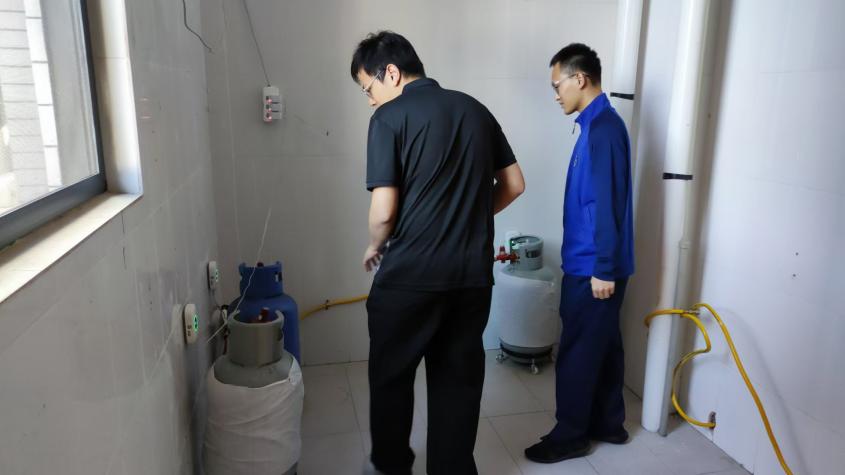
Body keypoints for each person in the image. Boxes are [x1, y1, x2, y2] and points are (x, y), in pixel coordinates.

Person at [350, 31, 525, 475]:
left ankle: (391, 466)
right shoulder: (475, 110)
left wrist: (374, 244)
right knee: (458, 383)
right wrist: (467, 214)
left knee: (391, 379)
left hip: (409, 278)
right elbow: (514, 185)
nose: (370, 101)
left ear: (391, 73)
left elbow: (383, 210)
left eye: (368, 89)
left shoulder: (389, 118)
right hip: (470, 278)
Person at [524, 43, 635, 464]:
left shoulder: (603, 128)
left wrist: (603, 268)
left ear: (580, 79)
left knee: (576, 353)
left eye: (558, 85)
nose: (556, 94)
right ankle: (608, 424)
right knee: (602, 347)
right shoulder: (594, 125)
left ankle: (570, 435)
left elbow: (607, 204)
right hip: (594, 263)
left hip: (594, 268)